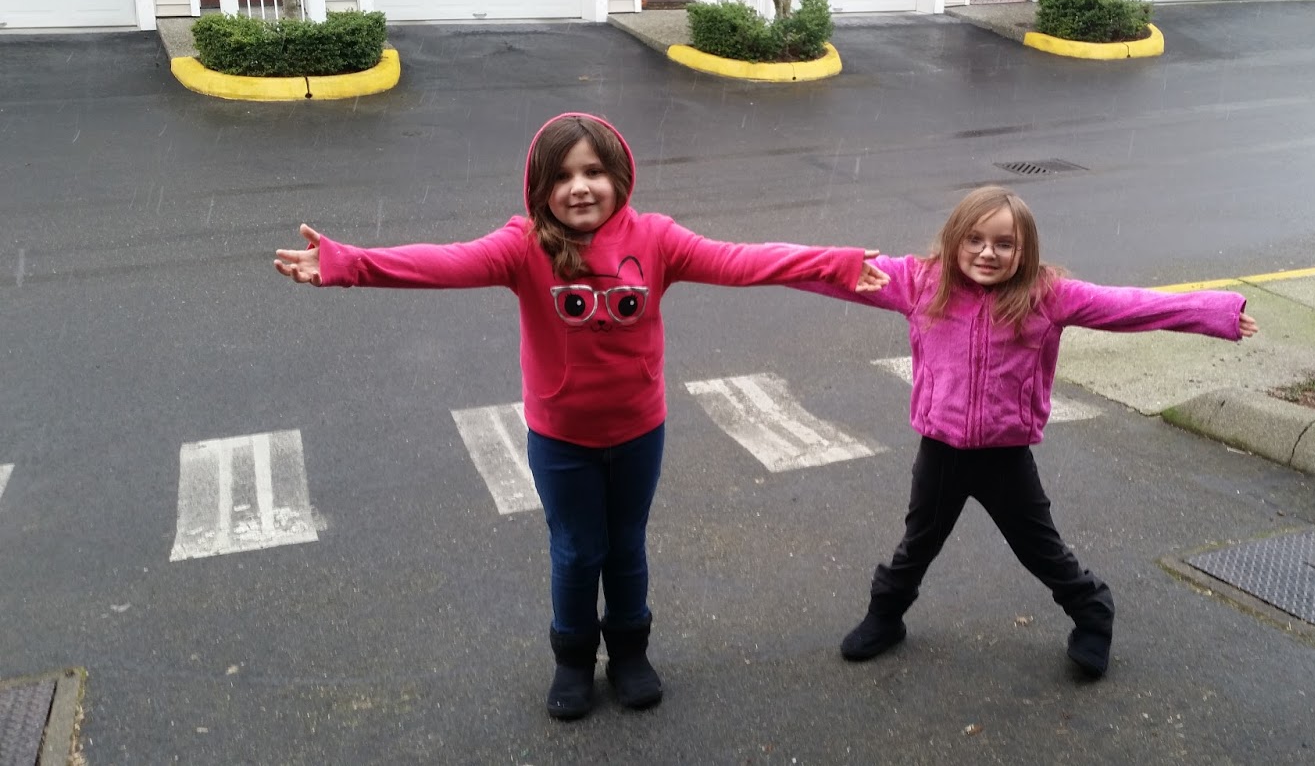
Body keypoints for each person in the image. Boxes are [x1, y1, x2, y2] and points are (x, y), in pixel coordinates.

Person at [273, 113, 888, 720]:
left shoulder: (657, 240)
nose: (580, 188)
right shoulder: (524, 246)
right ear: (540, 188)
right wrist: (348, 264)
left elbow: (739, 260)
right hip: (561, 438)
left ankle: (629, 652)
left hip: (639, 431)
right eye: (562, 177)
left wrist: (829, 262)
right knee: (576, 550)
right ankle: (572, 660)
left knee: (625, 547)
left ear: (619, 176)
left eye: (594, 172)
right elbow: (443, 263)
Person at [790, 185, 1256, 679]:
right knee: (917, 543)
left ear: (1024, 250)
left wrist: (1217, 312)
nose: (987, 253)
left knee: (1040, 549)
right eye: (974, 239)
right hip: (940, 451)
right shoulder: (921, 283)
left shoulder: (1046, 297)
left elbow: (1129, 306)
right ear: (953, 240)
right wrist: (749, 265)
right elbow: (833, 273)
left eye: (1004, 244)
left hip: (1005, 457)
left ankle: (1093, 615)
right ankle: (885, 616)